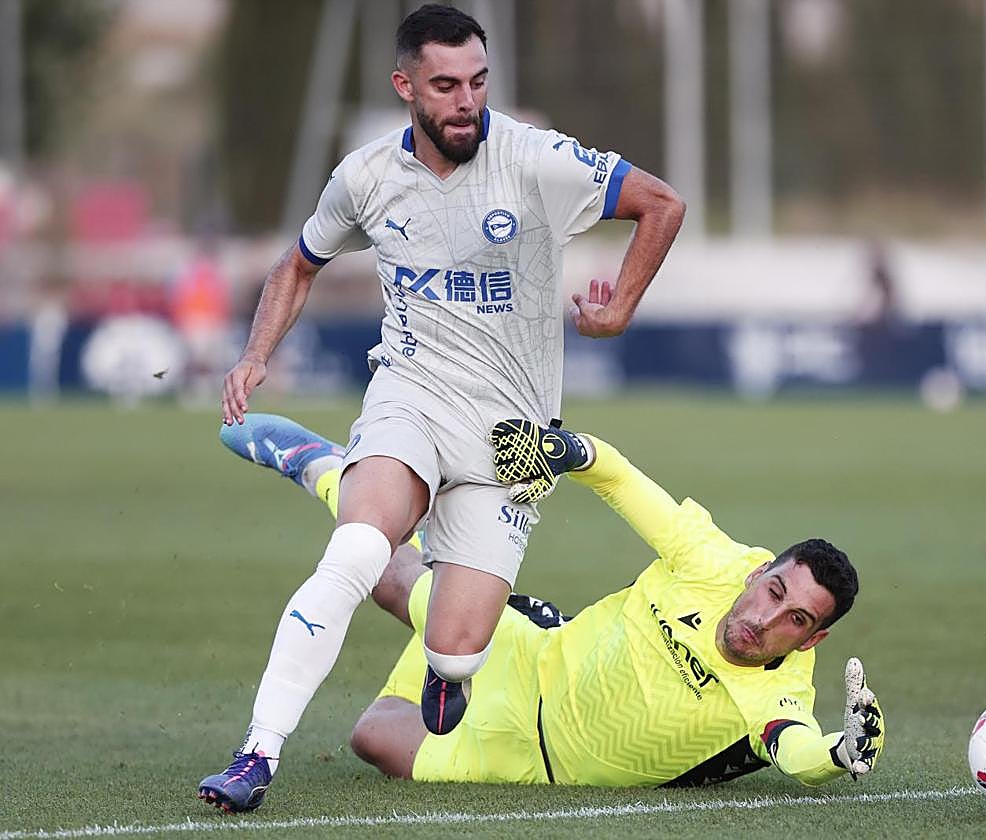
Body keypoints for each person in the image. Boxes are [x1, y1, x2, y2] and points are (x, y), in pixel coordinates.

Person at [201, 4, 685, 813]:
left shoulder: (535, 160)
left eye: (479, 81)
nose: (467, 101)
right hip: (412, 395)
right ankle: (258, 752)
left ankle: (443, 666)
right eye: (446, 85)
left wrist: (619, 308)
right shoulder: (364, 177)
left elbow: (661, 203)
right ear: (406, 87)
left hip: (516, 436)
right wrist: (254, 355)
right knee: (357, 549)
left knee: (458, 650)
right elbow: (298, 263)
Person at [213, 413, 885, 791]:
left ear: (810, 641)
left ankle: (449, 658)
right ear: (759, 571)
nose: (767, 620)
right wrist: (569, 450)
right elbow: (619, 477)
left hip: (537, 763)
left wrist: (837, 752)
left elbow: (795, 751)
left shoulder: (782, 691)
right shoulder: (710, 558)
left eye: (795, 620)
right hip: (535, 660)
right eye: (774, 591)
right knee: (390, 575)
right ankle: (324, 466)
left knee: (372, 739)